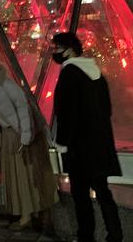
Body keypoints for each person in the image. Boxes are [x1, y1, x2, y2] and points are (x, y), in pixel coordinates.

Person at [0, 60, 57, 230]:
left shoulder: (5, 84)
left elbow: (23, 107)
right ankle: (26, 214)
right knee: (15, 176)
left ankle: (33, 216)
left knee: (27, 176)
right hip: (7, 136)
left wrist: (26, 135)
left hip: (22, 134)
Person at [52, 32, 123, 242]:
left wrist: (63, 143)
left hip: (79, 148)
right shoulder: (97, 74)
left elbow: (66, 113)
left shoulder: (69, 74)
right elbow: (107, 109)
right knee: (103, 192)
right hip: (100, 144)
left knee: (81, 195)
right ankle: (115, 235)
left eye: (58, 48)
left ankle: (86, 236)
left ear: (71, 49)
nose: (55, 53)